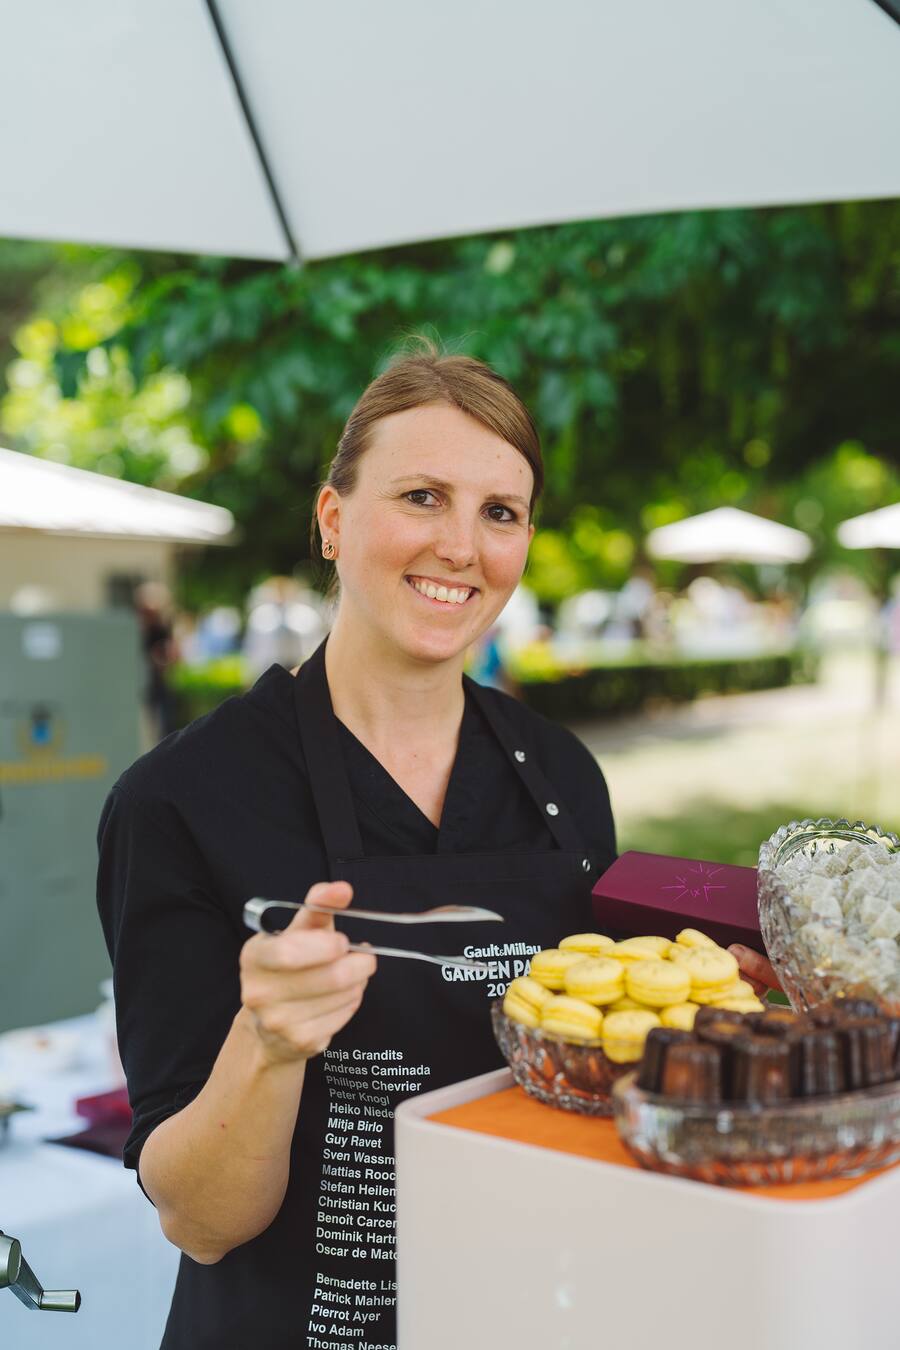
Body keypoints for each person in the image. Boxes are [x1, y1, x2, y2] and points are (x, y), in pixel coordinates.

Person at [96, 345, 618, 1350]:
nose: (462, 546)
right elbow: (199, 1221)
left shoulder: (564, 781)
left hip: (518, 1312)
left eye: (499, 512)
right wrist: (271, 1041)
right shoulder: (178, 801)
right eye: (423, 496)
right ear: (333, 521)